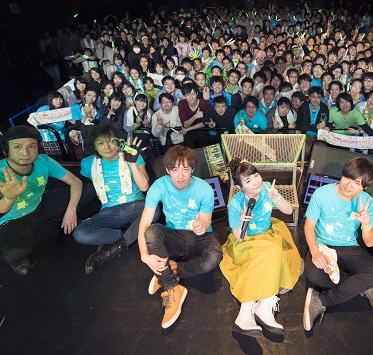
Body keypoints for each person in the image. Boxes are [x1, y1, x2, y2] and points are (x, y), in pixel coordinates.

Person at [0, 126, 93, 275]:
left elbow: (76, 182)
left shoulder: (43, 161)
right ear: (6, 150)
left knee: (90, 190)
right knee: (15, 252)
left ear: (38, 149)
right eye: (17, 147)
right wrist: (9, 198)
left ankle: (57, 217)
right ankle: (17, 258)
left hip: (38, 204)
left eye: (31, 146)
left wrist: (71, 211)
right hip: (12, 218)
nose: (25, 152)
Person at [137, 145, 223, 329]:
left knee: (214, 256)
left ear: (192, 169)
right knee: (152, 231)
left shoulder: (204, 189)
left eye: (185, 169)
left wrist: (202, 225)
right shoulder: (159, 186)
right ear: (167, 170)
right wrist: (143, 255)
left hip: (198, 237)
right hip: (173, 236)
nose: (181, 176)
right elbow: (144, 224)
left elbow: (206, 219)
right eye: (175, 170)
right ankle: (170, 287)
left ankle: (172, 270)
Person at [220, 159, 301, 336]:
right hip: (247, 240)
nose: (256, 181)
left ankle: (258, 309)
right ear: (240, 187)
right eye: (248, 180)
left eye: (256, 175)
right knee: (270, 253)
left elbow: (288, 211)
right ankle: (254, 310)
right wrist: (243, 222)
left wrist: (276, 198)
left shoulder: (267, 188)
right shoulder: (236, 204)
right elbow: (239, 238)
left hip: (269, 233)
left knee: (271, 253)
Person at [303, 158, 373, 332]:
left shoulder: (367, 202)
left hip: (349, 246)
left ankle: (322, 300)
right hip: (323, 244)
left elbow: (370, 242)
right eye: (348, 177)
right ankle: (362, 286)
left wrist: (366, 224)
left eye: (357, 183)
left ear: (364, 187)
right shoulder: (322, 193)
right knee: (314, 275)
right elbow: (309, 226)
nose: (348, 185)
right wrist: (315, 252)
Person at [73, 125, 151, 274]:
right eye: (101, 143)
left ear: (119, 141)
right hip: (109, 212)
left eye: (111, 141)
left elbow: (144, 187)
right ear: (94, 146)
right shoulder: (87, 164)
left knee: (154, 211)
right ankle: (123, 239)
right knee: (80, 233)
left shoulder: (132, 155)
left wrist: (132, 163)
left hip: (136, 206)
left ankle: (115, 246)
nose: (107, 147)